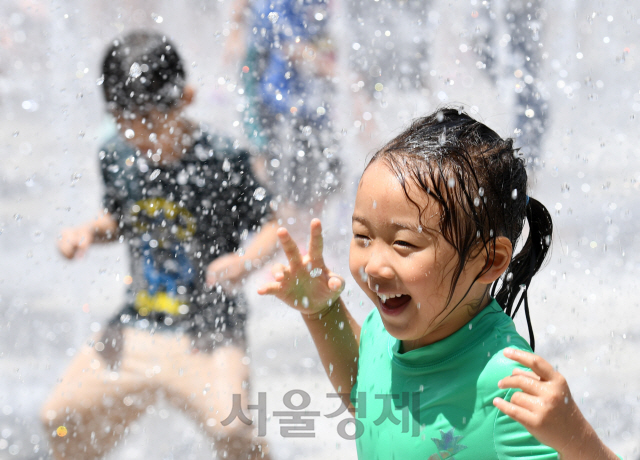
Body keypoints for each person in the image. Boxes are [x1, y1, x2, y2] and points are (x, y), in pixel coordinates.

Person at [258, 108, 619, 458]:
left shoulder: (508, 388)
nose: (374, 266)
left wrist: (578, 441)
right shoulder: (384, 333)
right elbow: (365, 394)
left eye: (404, 244)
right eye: (362, 236)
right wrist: (322, 310)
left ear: (489, 261)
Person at [40, 30, 276, 460]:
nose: (138, 135)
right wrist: (90, 232)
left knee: (235, 430)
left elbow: (273, 228)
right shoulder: (116, 153)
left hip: (210, 331)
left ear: (185, 98)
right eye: (124, 120)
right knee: (58, 416)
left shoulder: (221, 159)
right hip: (137, 325)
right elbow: (122, 217)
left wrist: (243, 261)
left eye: (149, 120)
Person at [224, 0, 341, 235]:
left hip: (310, 108)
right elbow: (286, 46)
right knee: (281, 186)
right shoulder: (274, 9)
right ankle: (284, 243)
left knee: (322, 184)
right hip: (276, 106)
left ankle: (305, 239)